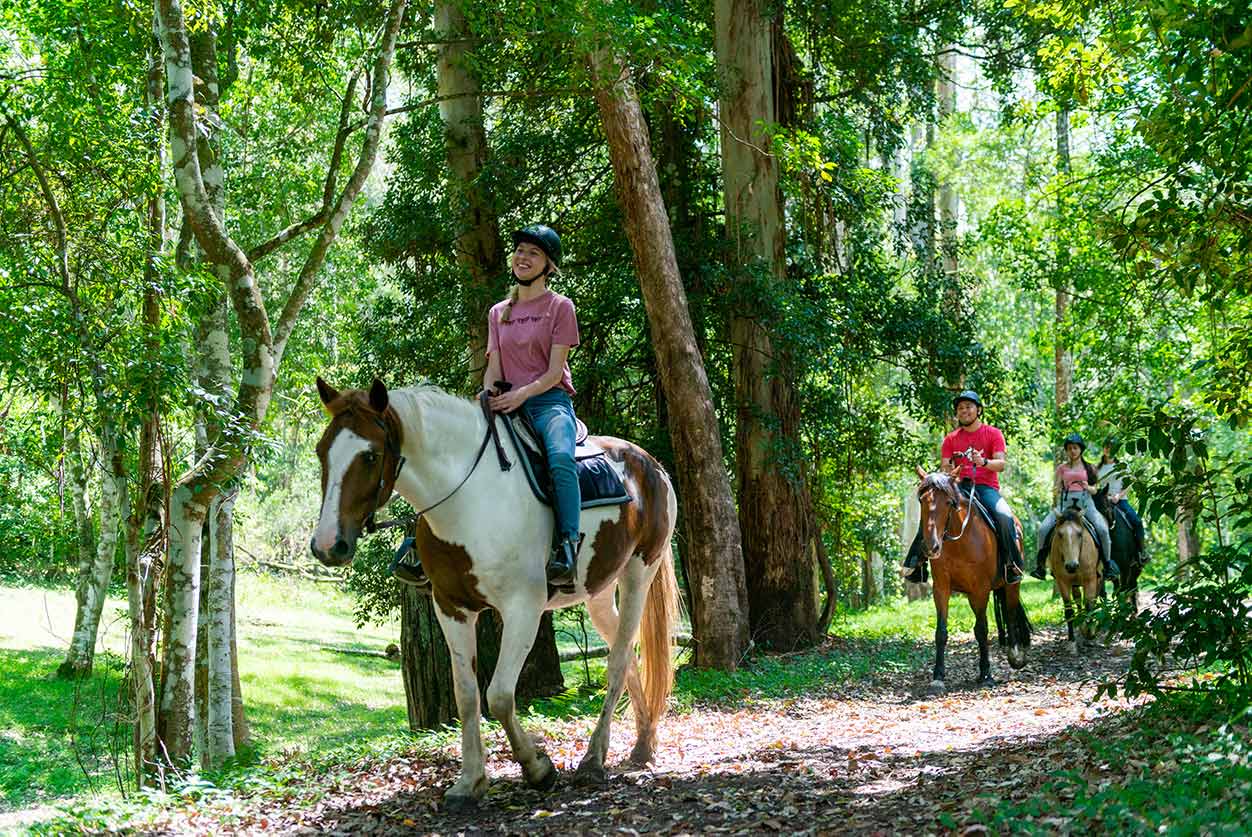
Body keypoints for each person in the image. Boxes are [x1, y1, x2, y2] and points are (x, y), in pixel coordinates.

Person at [484, 224, 581, 587]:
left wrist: (520, 396)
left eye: (533, 253)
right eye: (520, 250)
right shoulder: (498, 312)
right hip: (505, 402)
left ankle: (569, 546)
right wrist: (490, 394)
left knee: (559, 458)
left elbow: (555, 372)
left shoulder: (560, 308)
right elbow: (493, 369)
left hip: (547, 403)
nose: (523, 257)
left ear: (549, 266)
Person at [902, 390, 1023, 582]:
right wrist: (949, 473)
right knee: (931, 513)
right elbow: (945, 467)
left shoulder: (993, 434)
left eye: (968, 407)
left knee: (1004, 516)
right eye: (960, 408)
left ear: (978, 410)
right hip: (957, 487)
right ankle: (916, 564)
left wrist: (983, 461)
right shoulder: (951, 439)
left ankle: (1012, 564)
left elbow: (1000, 464)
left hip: (986, 487)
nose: (964, 411)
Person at [1030, 433, 1117, 580]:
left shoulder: (1090, 468)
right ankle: (1041, 566)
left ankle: (1107, 565)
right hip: (1065, 504)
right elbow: (1056, 485)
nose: (1072, 451)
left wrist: (1087, 487)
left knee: (1102, 529)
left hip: (1086, 504)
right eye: (1069, 448)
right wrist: (1057, 489)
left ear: (1081, 449)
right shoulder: (1061, 468)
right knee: (1044, 528)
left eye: (1075, 448)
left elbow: (1096, 489)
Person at [1098, 436, 1146, 557]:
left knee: (1137, 522)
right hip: (1104, 501)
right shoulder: (1097, 468)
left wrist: (1118, 496)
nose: (1109, 450)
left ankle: (1141, 552)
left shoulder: (1123, 466)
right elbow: (1094, 486)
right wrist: (1104, 496)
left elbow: (1130, 483)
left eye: (1111, 448)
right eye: (1106, 447)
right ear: (1103, 449)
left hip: (1120, 500)